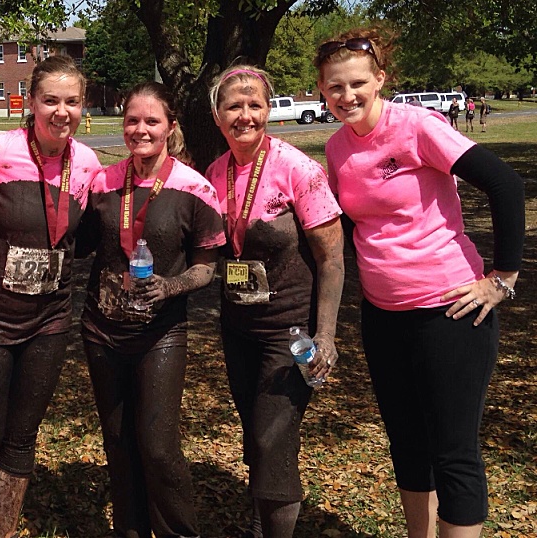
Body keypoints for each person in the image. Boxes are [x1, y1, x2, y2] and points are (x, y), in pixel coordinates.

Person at [315, 29, 524, 538]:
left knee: (453, 451)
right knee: (406, 442)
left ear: (380, 78)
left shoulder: (418, 127)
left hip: (449, 310)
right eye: (334, 88)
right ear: (321, 91)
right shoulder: (337, 147)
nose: (347, 97)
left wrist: (503, 279)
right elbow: (346, 222)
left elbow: (505, 183)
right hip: (383, 314)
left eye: (358, 84)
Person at [0, 55, 102, 538]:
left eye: (73, 101)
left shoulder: (87, 162)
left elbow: (97, 227)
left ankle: (0, 529)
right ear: (33, 102)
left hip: (50, 321)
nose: (62, 111)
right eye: (51, 100)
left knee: (21, 437)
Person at [79, 81, 225, 538]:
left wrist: (172, 285)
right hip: (100, 331)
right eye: (132, 120)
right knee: (119, 442)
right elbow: (83, 245)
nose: (140, 129)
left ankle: (180, 532)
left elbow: (206, 268)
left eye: (151, 121)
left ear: (170, 127)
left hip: (160, 333)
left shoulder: (193, 187)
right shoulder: (101, 181)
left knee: (158, 447)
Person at [205, 65, 344, 538]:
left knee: (273, 437)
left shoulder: (298, 168)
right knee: (256, 435)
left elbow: (332, 260)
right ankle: (262, 524)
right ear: (218, 117)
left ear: (269, 109)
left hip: (291, 332)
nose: (245, 116)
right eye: (233, 107)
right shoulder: (216, 171)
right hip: (238, 326)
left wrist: (326, 334)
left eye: (255, 105)